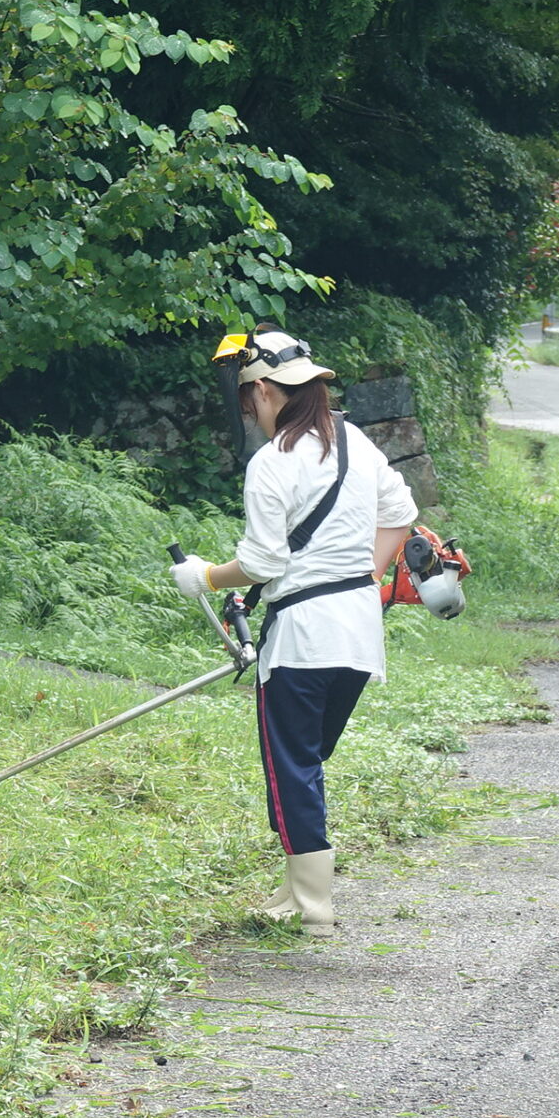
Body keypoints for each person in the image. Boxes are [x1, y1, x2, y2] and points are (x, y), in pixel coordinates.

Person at [171, 331, 418, 934]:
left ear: (262, 389)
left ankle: (313, 908)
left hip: (304, 640)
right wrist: (367, 577)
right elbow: (402, 515)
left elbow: (261, 563)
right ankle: (293, 892)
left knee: (291, 767)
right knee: (306, 762)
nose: (249, 412)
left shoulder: (273, 461)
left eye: (248, 400)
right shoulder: (356, 441)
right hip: (359, 636)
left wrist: (201, 574)